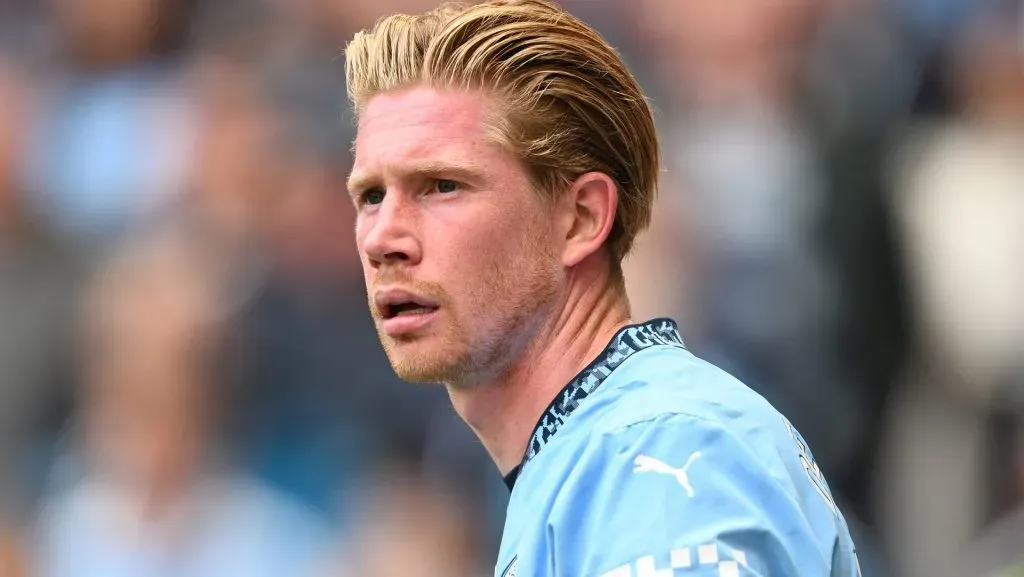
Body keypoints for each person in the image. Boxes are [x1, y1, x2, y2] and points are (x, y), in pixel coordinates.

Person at [343, 1, 861, 576]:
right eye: (370, 196)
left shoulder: (660, 449)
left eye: (443, 186)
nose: (383, 237)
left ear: (582, 219)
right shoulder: (592, 457)